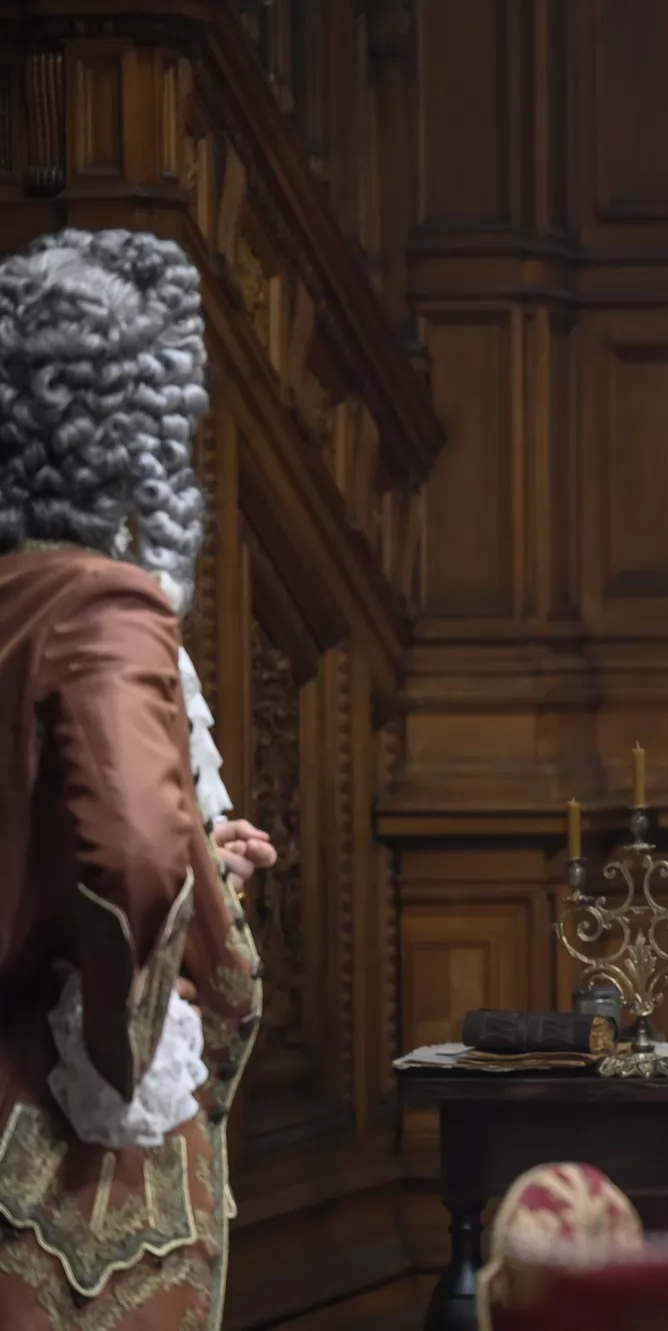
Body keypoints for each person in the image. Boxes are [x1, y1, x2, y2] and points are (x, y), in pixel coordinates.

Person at [0, 229, 267, 1330]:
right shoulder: (99, 602)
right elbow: (137, 860)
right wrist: (132, 1014)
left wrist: (200, 857)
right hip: (54, 1149)